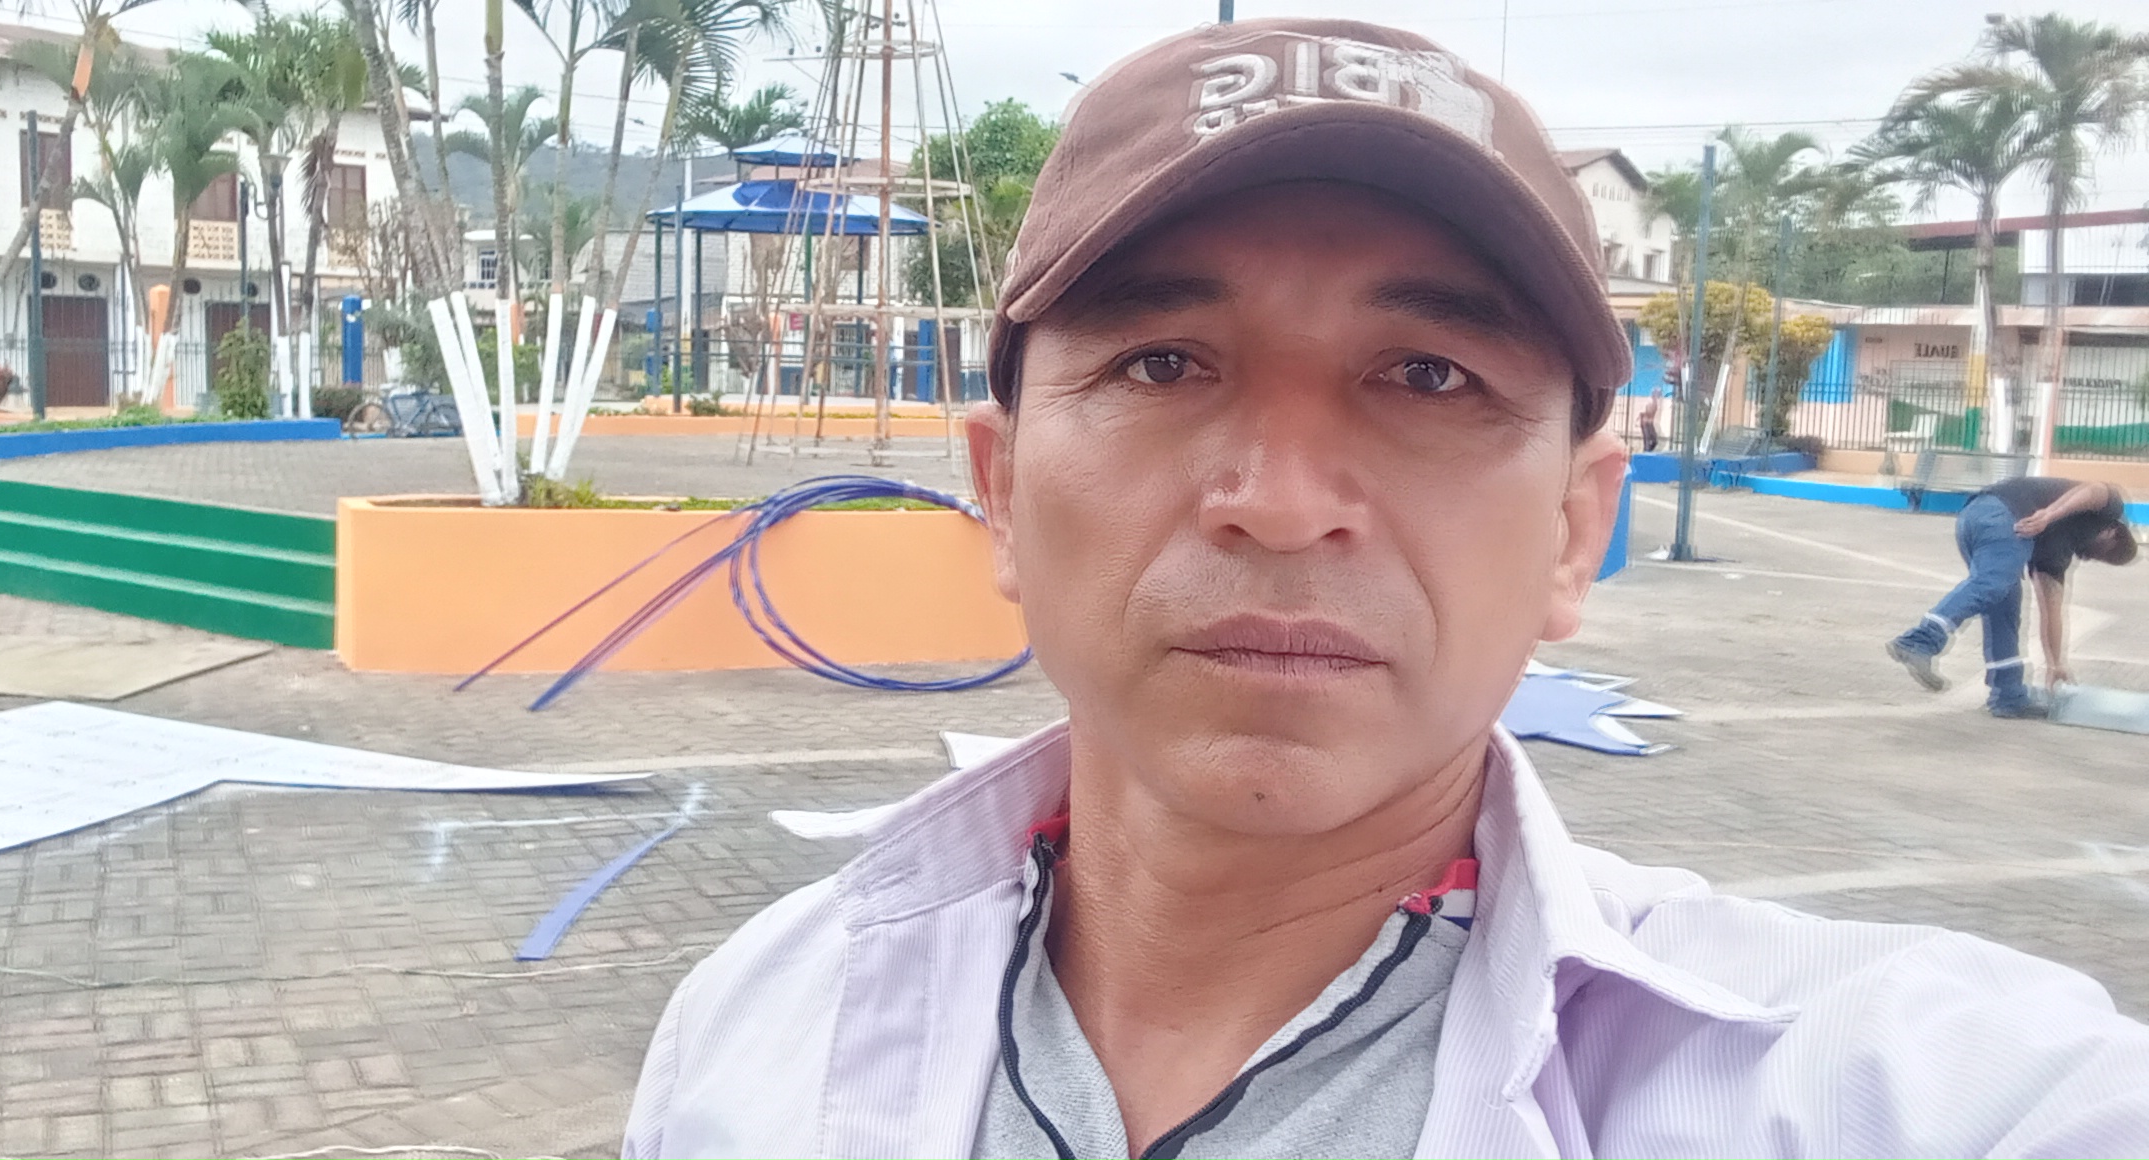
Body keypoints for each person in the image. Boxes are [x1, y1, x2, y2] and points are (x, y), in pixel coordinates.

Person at [624, 19, 2149, 1160]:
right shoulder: (757, 1030)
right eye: (1163, 363)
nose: (1283, 503)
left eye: (1429, 375)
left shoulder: (1902, 1090)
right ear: (1004, 488)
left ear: (1575, 530)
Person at [1889, 475, 2136, 716]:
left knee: (2005, 609)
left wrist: (2055, 663)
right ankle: (1920, 640)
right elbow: (2094, 490)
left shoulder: (2056, 557)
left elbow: (2051, 611)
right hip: (2002, 513)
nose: (2092, 558)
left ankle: (2007, 695)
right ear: (2112, 532)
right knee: (1993, 583)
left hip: (1978, 520)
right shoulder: (2109, 509)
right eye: (2104, 554)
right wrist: (2048, 515)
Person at [1637, 386, 1664, 452]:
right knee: (1647, 441)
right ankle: (1646, 453)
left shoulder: (1655, 402)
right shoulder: (1650, 401)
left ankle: (1648, 452)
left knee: (1654, 441)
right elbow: (1648, 412)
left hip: (1650, 423)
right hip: (1646, 423)